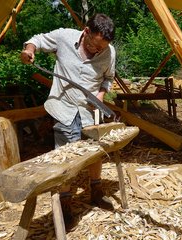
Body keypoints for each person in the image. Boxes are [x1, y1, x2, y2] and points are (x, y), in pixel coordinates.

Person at [20, 13, 116, 229]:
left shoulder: (109, 52)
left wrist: (101, 95)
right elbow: (35, 40)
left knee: (96, 152)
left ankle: (96, 191)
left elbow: (109, 78)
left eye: (102, 48)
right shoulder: (64, 37)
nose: (97, 50)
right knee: (65, 158)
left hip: (90, 111)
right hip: (64, 108)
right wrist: (28, 51)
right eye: (94, 45)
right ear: (86, 32)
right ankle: (65, 204)